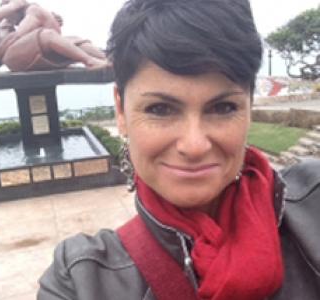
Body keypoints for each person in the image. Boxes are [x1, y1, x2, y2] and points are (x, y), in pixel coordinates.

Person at [38, 0, 320, 299]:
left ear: (250, 106)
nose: (194, 145)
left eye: (223, 107)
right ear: (121, 111)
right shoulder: (81, 280)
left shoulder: (313, 207)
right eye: (160, 109)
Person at [0, 0, 108, 74]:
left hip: (21, 56)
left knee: (74, 41)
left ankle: (107, 58)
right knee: (46, 34)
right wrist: (13, 6)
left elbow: (24, 34)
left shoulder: (12, 31)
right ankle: (89, 61)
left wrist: (46, 19)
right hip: (13, 59)